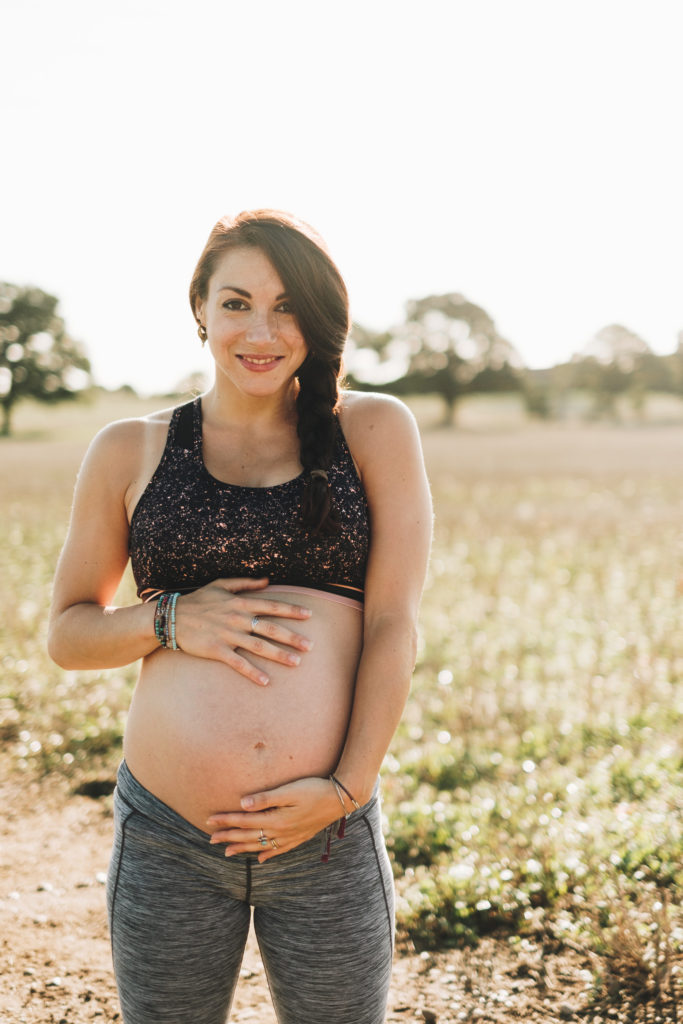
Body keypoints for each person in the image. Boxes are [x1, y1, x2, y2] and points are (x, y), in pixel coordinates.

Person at [48, 209, 432, 1024]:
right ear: (199, 310)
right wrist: (169, 622)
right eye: (236, 303)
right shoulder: (131, 447)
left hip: (324, 831)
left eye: (288, 306)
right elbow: (69, 633)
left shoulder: (370, 429)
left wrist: (344, 788)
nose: (261, 329)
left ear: (318, 319)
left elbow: (393, 622)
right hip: (169, 835)